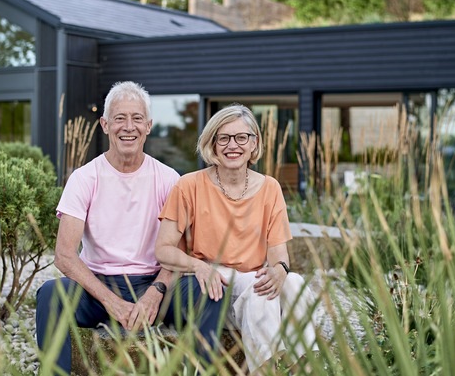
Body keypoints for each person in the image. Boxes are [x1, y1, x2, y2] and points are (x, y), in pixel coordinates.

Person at [36, 81, 224, 375]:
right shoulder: (84, 178)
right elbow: (64, 256)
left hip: (157, 283)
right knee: (50, 294)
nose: (128, 126)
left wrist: (156, 292)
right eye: (120, 118)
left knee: (209, 291)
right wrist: (112, 302)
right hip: (98, 289)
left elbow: (182, 247)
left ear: (148, 125)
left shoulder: (168, 178)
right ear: (105, 124)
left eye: (137, 118)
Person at [155, 103, 317, 375]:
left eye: (242, 137)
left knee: (294, 282)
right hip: (214, 286)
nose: (233, 145)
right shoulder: (189, 185)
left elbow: (279, 254)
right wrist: (197, 266)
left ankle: (300, 367)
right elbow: (163, 249)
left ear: (254, 144)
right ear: (213, 144)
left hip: (252, 292)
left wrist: (279, 270)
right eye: (224, 138)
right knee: (258, 287)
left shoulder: (270, 188)